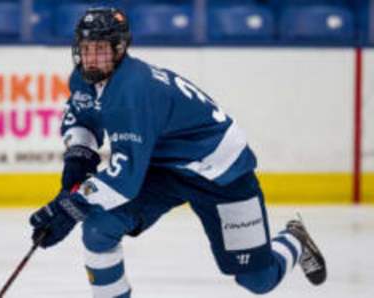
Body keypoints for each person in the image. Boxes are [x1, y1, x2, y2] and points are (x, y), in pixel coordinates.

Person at [29, 7, 327, 298]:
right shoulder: (84, 77)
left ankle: (295, 238)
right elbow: (82, 119)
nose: (91, 59)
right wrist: (79, 157)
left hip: (221, 173)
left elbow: (124, 180)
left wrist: (70, 205)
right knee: (98, 228)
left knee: (258, 281)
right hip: (162, 169)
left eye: (101, 50)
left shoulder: (132, 90)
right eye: (86, 49)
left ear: (120, 49)